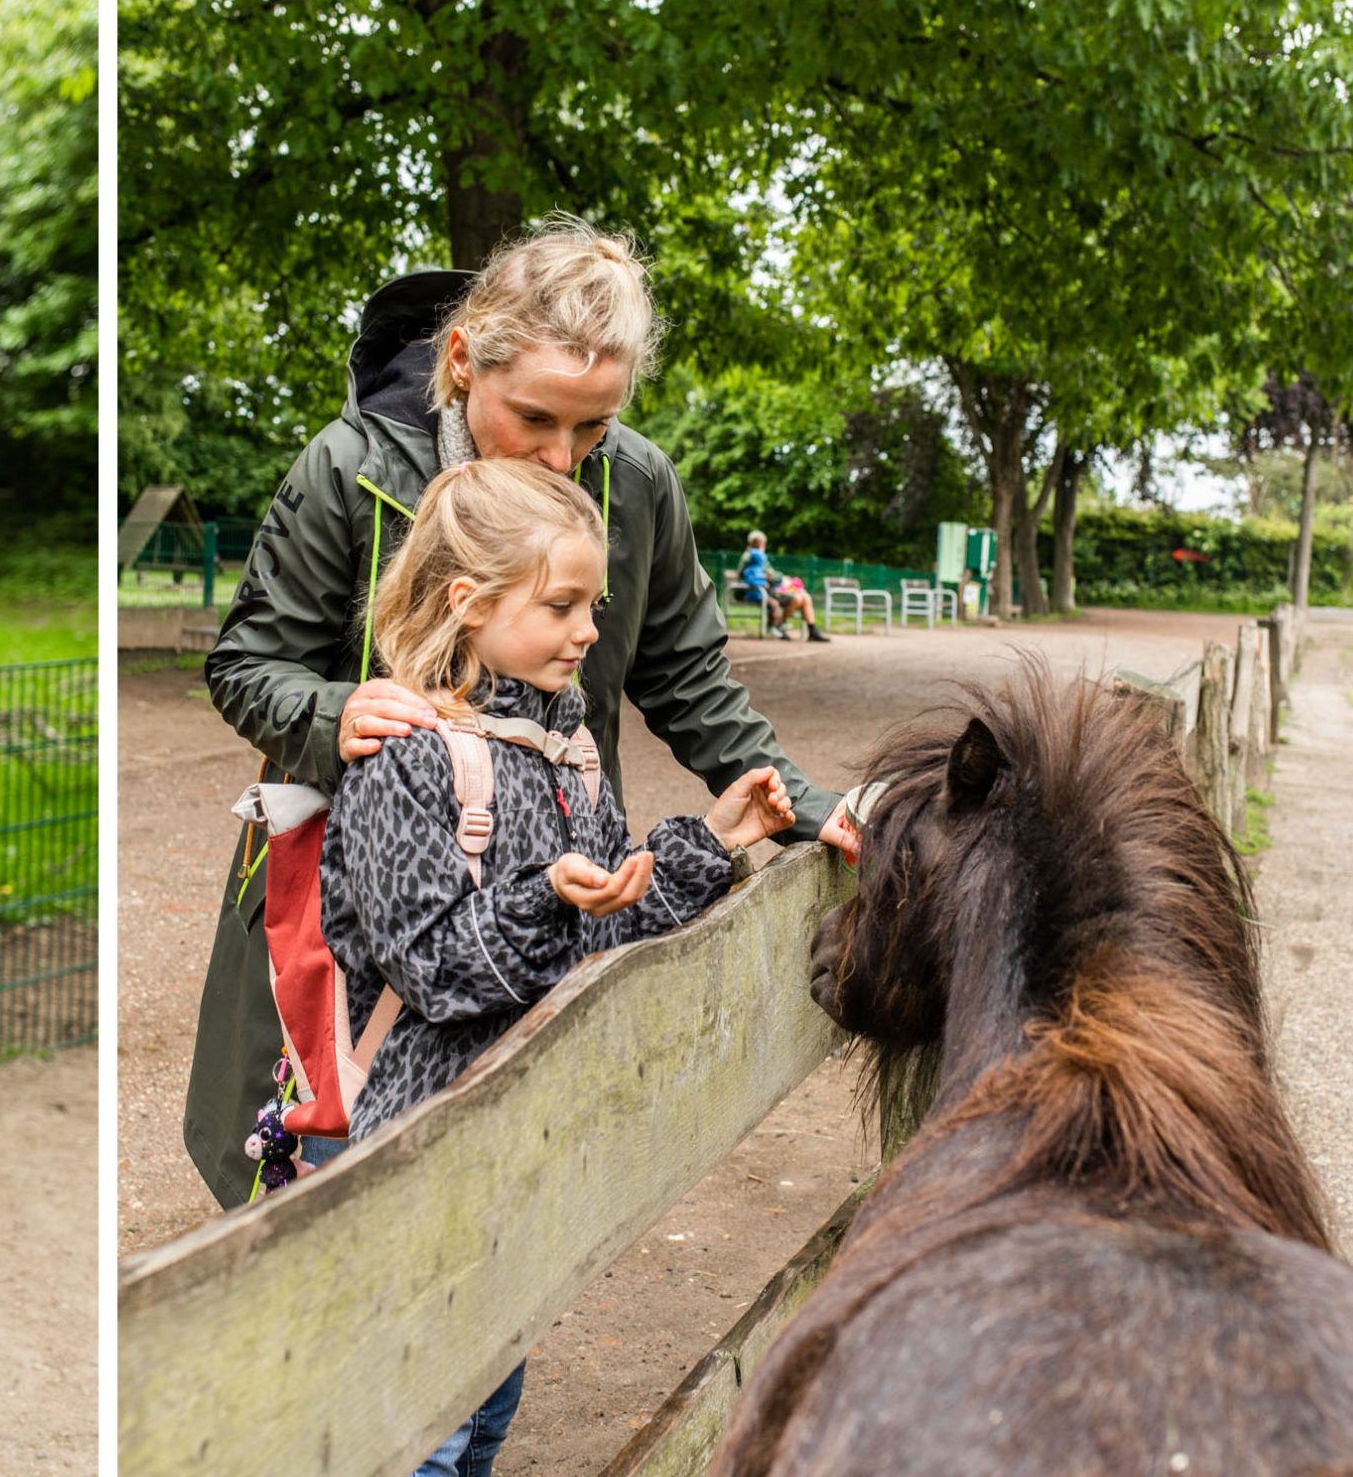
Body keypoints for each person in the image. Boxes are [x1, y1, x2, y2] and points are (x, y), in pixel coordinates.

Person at [187, 218, 854, 1214]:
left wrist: (807, 802)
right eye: (536, 419)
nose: (560, 456)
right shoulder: (345, 467)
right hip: (357, 903)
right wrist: (332, 708)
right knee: (321, 1182)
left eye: (592, 428)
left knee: (505, 1172)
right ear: (462, 362)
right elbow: (245, 664)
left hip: (541, 884)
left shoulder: (635, 487)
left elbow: (687, 677)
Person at [275, 458, 798, 1477]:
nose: (587, 629)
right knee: (413, 1430)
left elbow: (602, 920)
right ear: (469, 603)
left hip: (510, 1124)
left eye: (594, 605)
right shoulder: (411, 759)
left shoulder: (565, 756)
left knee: (489, 1395)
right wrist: (545, 899)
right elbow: (442, 967)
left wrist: (699, 849)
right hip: (413, 1132)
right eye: (560, 605)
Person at [739, 530, 829, 641]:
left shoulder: (757, 556)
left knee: (805, 596)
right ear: (757, 543)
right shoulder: (753, 556)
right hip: (763, 591)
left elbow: (771, 574)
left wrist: (780, 578)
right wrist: (780, 578)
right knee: (797, 598)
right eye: (763, 544)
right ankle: (778, 626)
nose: (764, 546)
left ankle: (812, 630)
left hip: (771, 588)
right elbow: (764, 575)